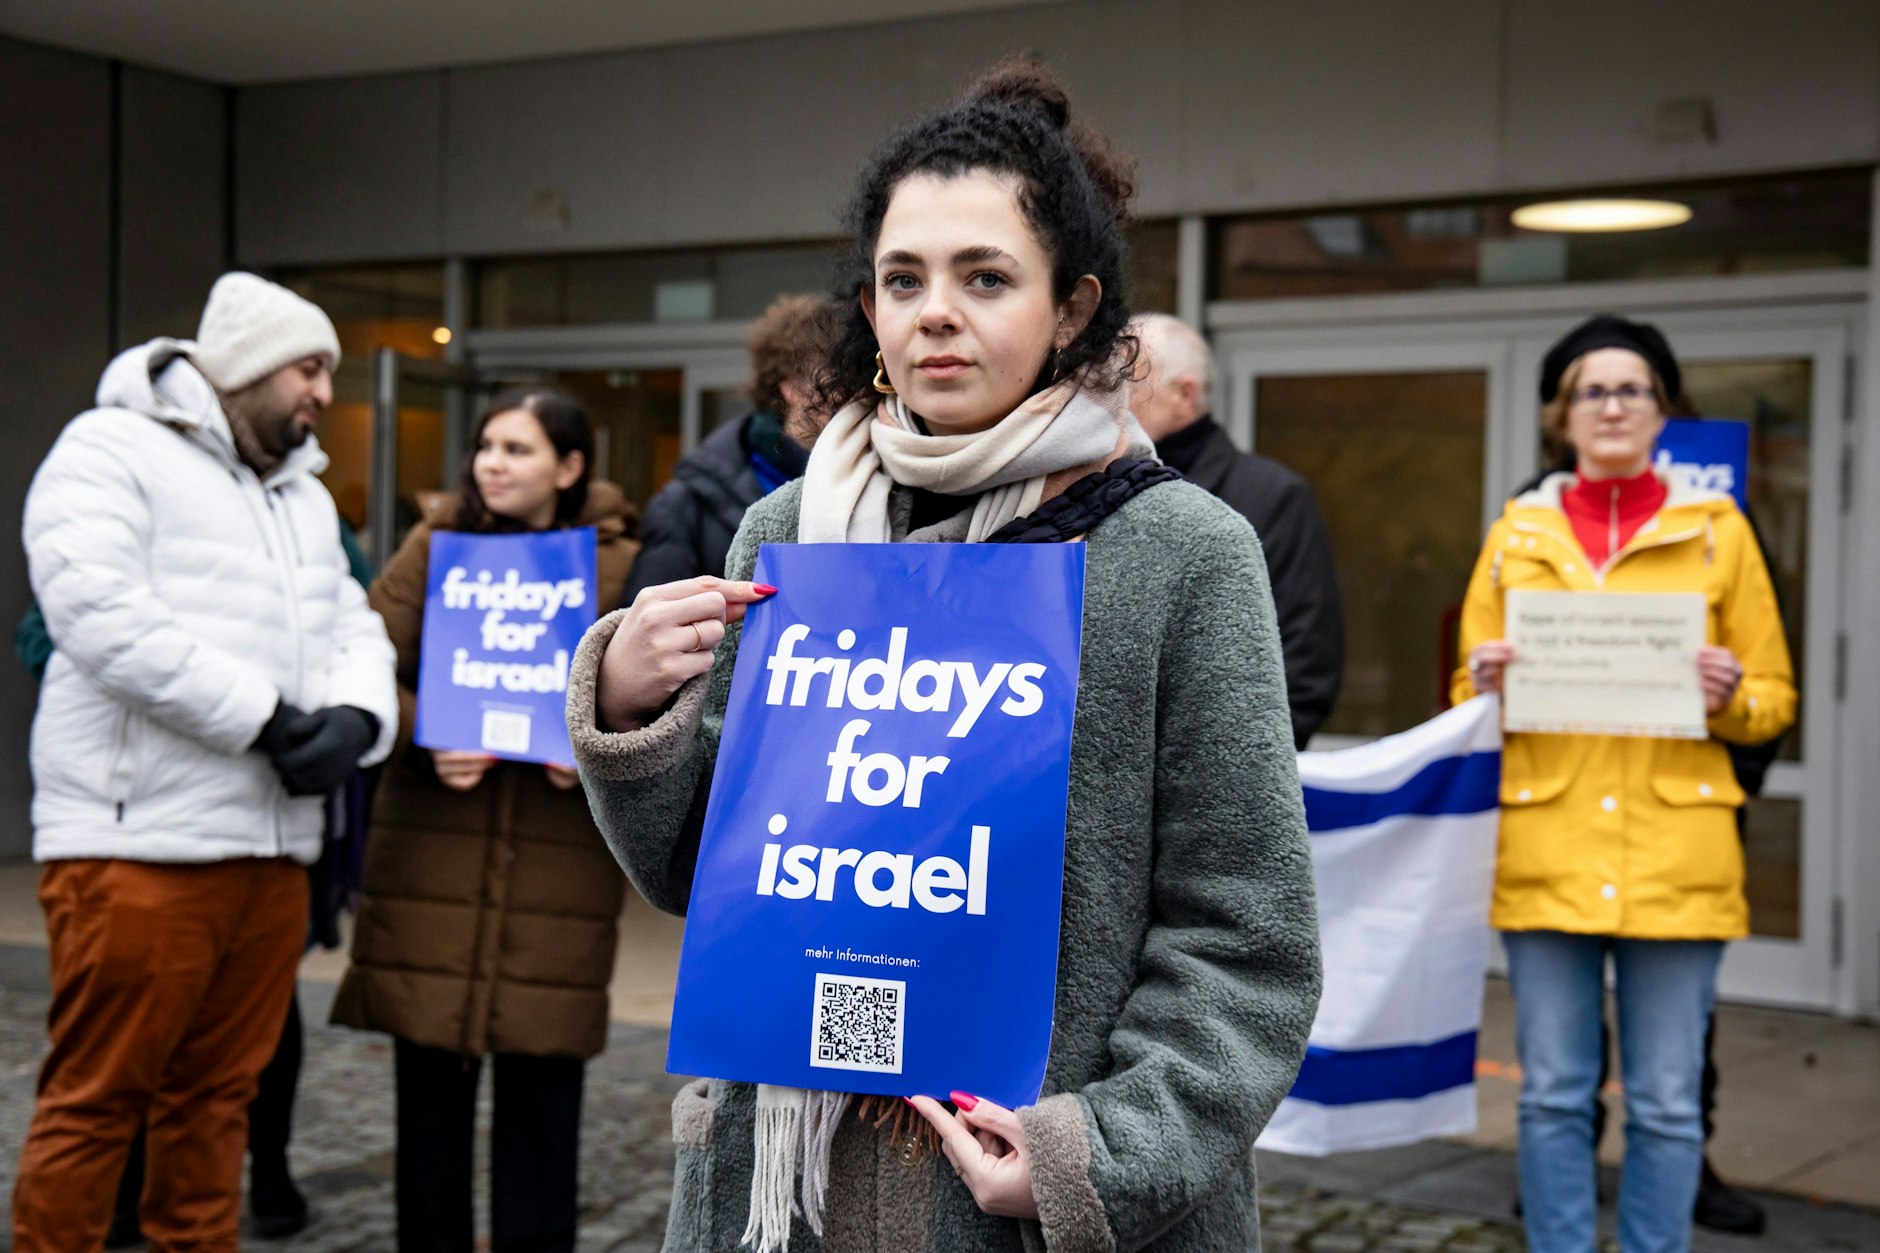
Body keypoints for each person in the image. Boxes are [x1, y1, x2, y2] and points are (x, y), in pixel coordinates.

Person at [567, 61, 1321, 1252]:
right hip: (785, 1201)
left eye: (985, 277)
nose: (935, 311)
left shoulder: (1179, 550)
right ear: (866, 310)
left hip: (1019, 1209)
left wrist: (1093, 1153)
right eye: (902, 277)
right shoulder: (790, 532)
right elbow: (701, 876)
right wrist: (627, 702)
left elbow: (1246, 942)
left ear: (1070, 309)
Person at [14, 272, 399, 1250]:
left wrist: (357, 719)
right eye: (309, 368)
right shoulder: (109, 449)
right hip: (136, 843)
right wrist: (266, 720)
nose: (322, 391)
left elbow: (350, 620)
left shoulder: (302, 495)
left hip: (270, 852)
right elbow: (97, 614)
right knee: (99, 1100)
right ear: (247, 364)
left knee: (216, 1104)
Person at [1455, 314, 1796, 1253]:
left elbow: (1772, 699)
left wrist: (1729, 697)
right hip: (1549, 847)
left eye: (1632, 389)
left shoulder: (1720, 533)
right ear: (1562, 416)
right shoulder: (1517, 530)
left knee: (1670, 1103)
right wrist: (1482, 683)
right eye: (1592, 391)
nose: (1612, 405)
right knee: (1555, 1094)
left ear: (1663, 411)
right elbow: (1462, 694)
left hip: (1676, 854)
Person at [329, 386, 641, 1253]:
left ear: (570, 467)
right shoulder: (437, 548)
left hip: (553, 869)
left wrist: (592, 734)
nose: (492, 464)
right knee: (427, 1101)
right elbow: (357, 657)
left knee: (542, 1107)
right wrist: (426, 734)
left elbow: (659, 697)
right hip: (435, 859)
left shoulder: (620, 565)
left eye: (518, 448)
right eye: (486, 446)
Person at [1128, 312, 1344, 747]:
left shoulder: (1273, 496)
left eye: (1125, 384)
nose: (1103, 401)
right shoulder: (1090, 494)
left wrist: (1226, 772)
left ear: (1184, 395)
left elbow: (1304, 670)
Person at [622, 294, 823, 600]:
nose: (855, 393)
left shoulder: (874, 486)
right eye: (836, 375)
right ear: (790, 384)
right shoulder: (687, 504)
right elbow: (650, 628)